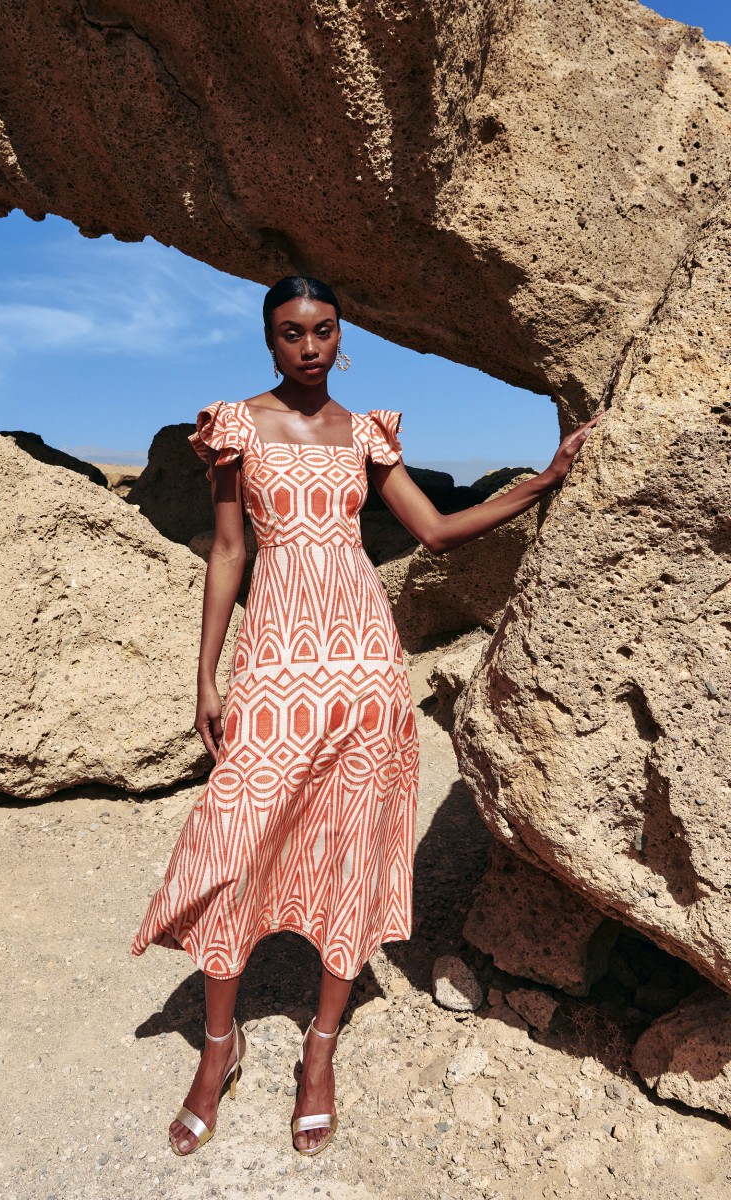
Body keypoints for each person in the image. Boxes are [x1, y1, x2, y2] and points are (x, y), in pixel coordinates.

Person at [132, 275, 599, 1158]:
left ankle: (320, 1050)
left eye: (323, 330)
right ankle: (218, 1051)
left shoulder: (367, 433)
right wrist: (206, 677)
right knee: (235, 838)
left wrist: (545, 479)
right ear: (267, 343)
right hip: (274, 660)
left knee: (353, 842)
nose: (308, 346)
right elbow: (229, 549)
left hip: (365, 666)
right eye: (289, 332)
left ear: (340, 337)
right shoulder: (235, 426)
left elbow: (435, 532)